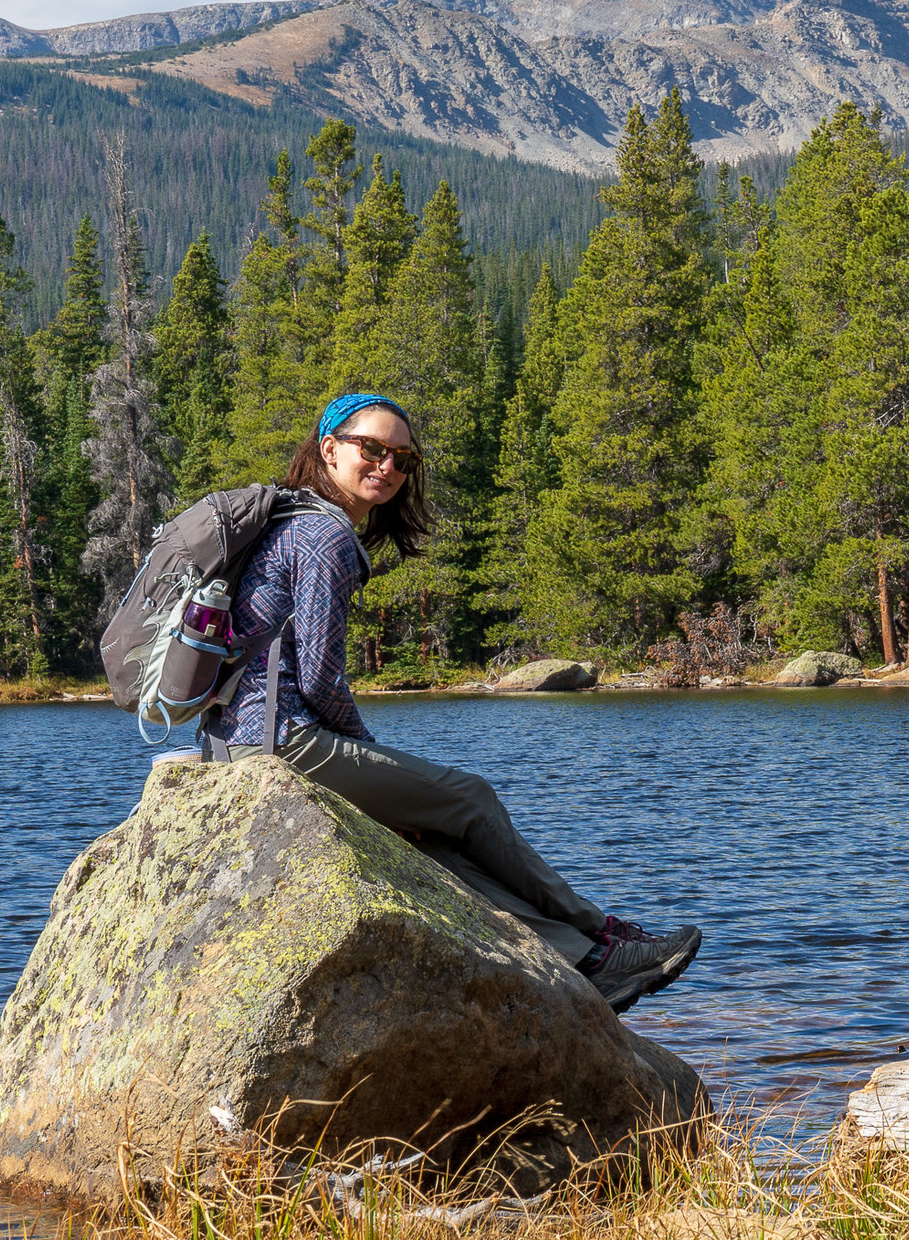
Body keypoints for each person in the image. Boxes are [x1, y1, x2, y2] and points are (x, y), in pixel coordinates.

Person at [199, 390, 702, 1013]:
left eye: (402, 459)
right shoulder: (323, 534)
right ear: (329, 449)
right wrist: (369, 756)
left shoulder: (290, 520)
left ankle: (582, 959)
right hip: (280, 741)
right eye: (373, 449)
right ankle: (600, 932)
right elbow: (323, 679)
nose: (387, 467)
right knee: (469, 799)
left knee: (429, 840)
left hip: (230, 743)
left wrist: (387, 783)